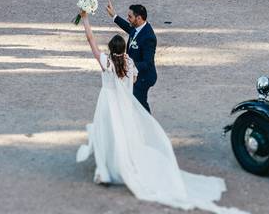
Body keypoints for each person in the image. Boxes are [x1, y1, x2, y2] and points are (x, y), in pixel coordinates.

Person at [75, 11, 234, 213]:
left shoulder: (106, 62)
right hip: (124, 104)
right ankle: (123, 165)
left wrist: (85, 18)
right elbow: (132, 81)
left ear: (110, 49)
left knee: (108, 132)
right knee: (125, 133)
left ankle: (106, 170)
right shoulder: (129, 63)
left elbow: (90, 40)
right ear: (124, 48)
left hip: (107, 102)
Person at [106, 0, 157, 113]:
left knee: (139, 103)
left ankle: (149, 125)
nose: (128, 18)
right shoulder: (137, 28)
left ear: (139, 18)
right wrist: (114, 16)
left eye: (130, 16)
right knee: (134, 102)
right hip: (134, 73)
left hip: (144, 77)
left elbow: (147, 62)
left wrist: (128, 64)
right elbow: (128, 27)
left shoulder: (149, 37)